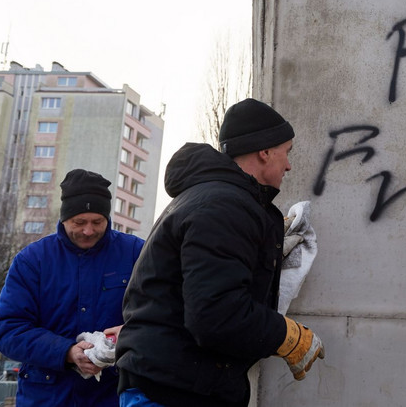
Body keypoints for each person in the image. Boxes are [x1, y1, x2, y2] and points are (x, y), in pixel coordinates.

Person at [116, 98, 324, 407]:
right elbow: (216, 315)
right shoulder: (224, 207)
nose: (289, 165)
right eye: (287, 152)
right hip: (174, 394)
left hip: (176, 384)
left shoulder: (210, 199)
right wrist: (287, 336)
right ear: (265, 152)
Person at [0, 169, 145, 407]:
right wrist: (66, 352)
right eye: (79, 222)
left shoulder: (136, 253)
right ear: (64, 219)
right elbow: (7, 329)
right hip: (46, 396)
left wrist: (130, 333)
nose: (88, 230)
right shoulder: (33, 260)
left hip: (113, 395)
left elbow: (164, 314)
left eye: (98, 222)